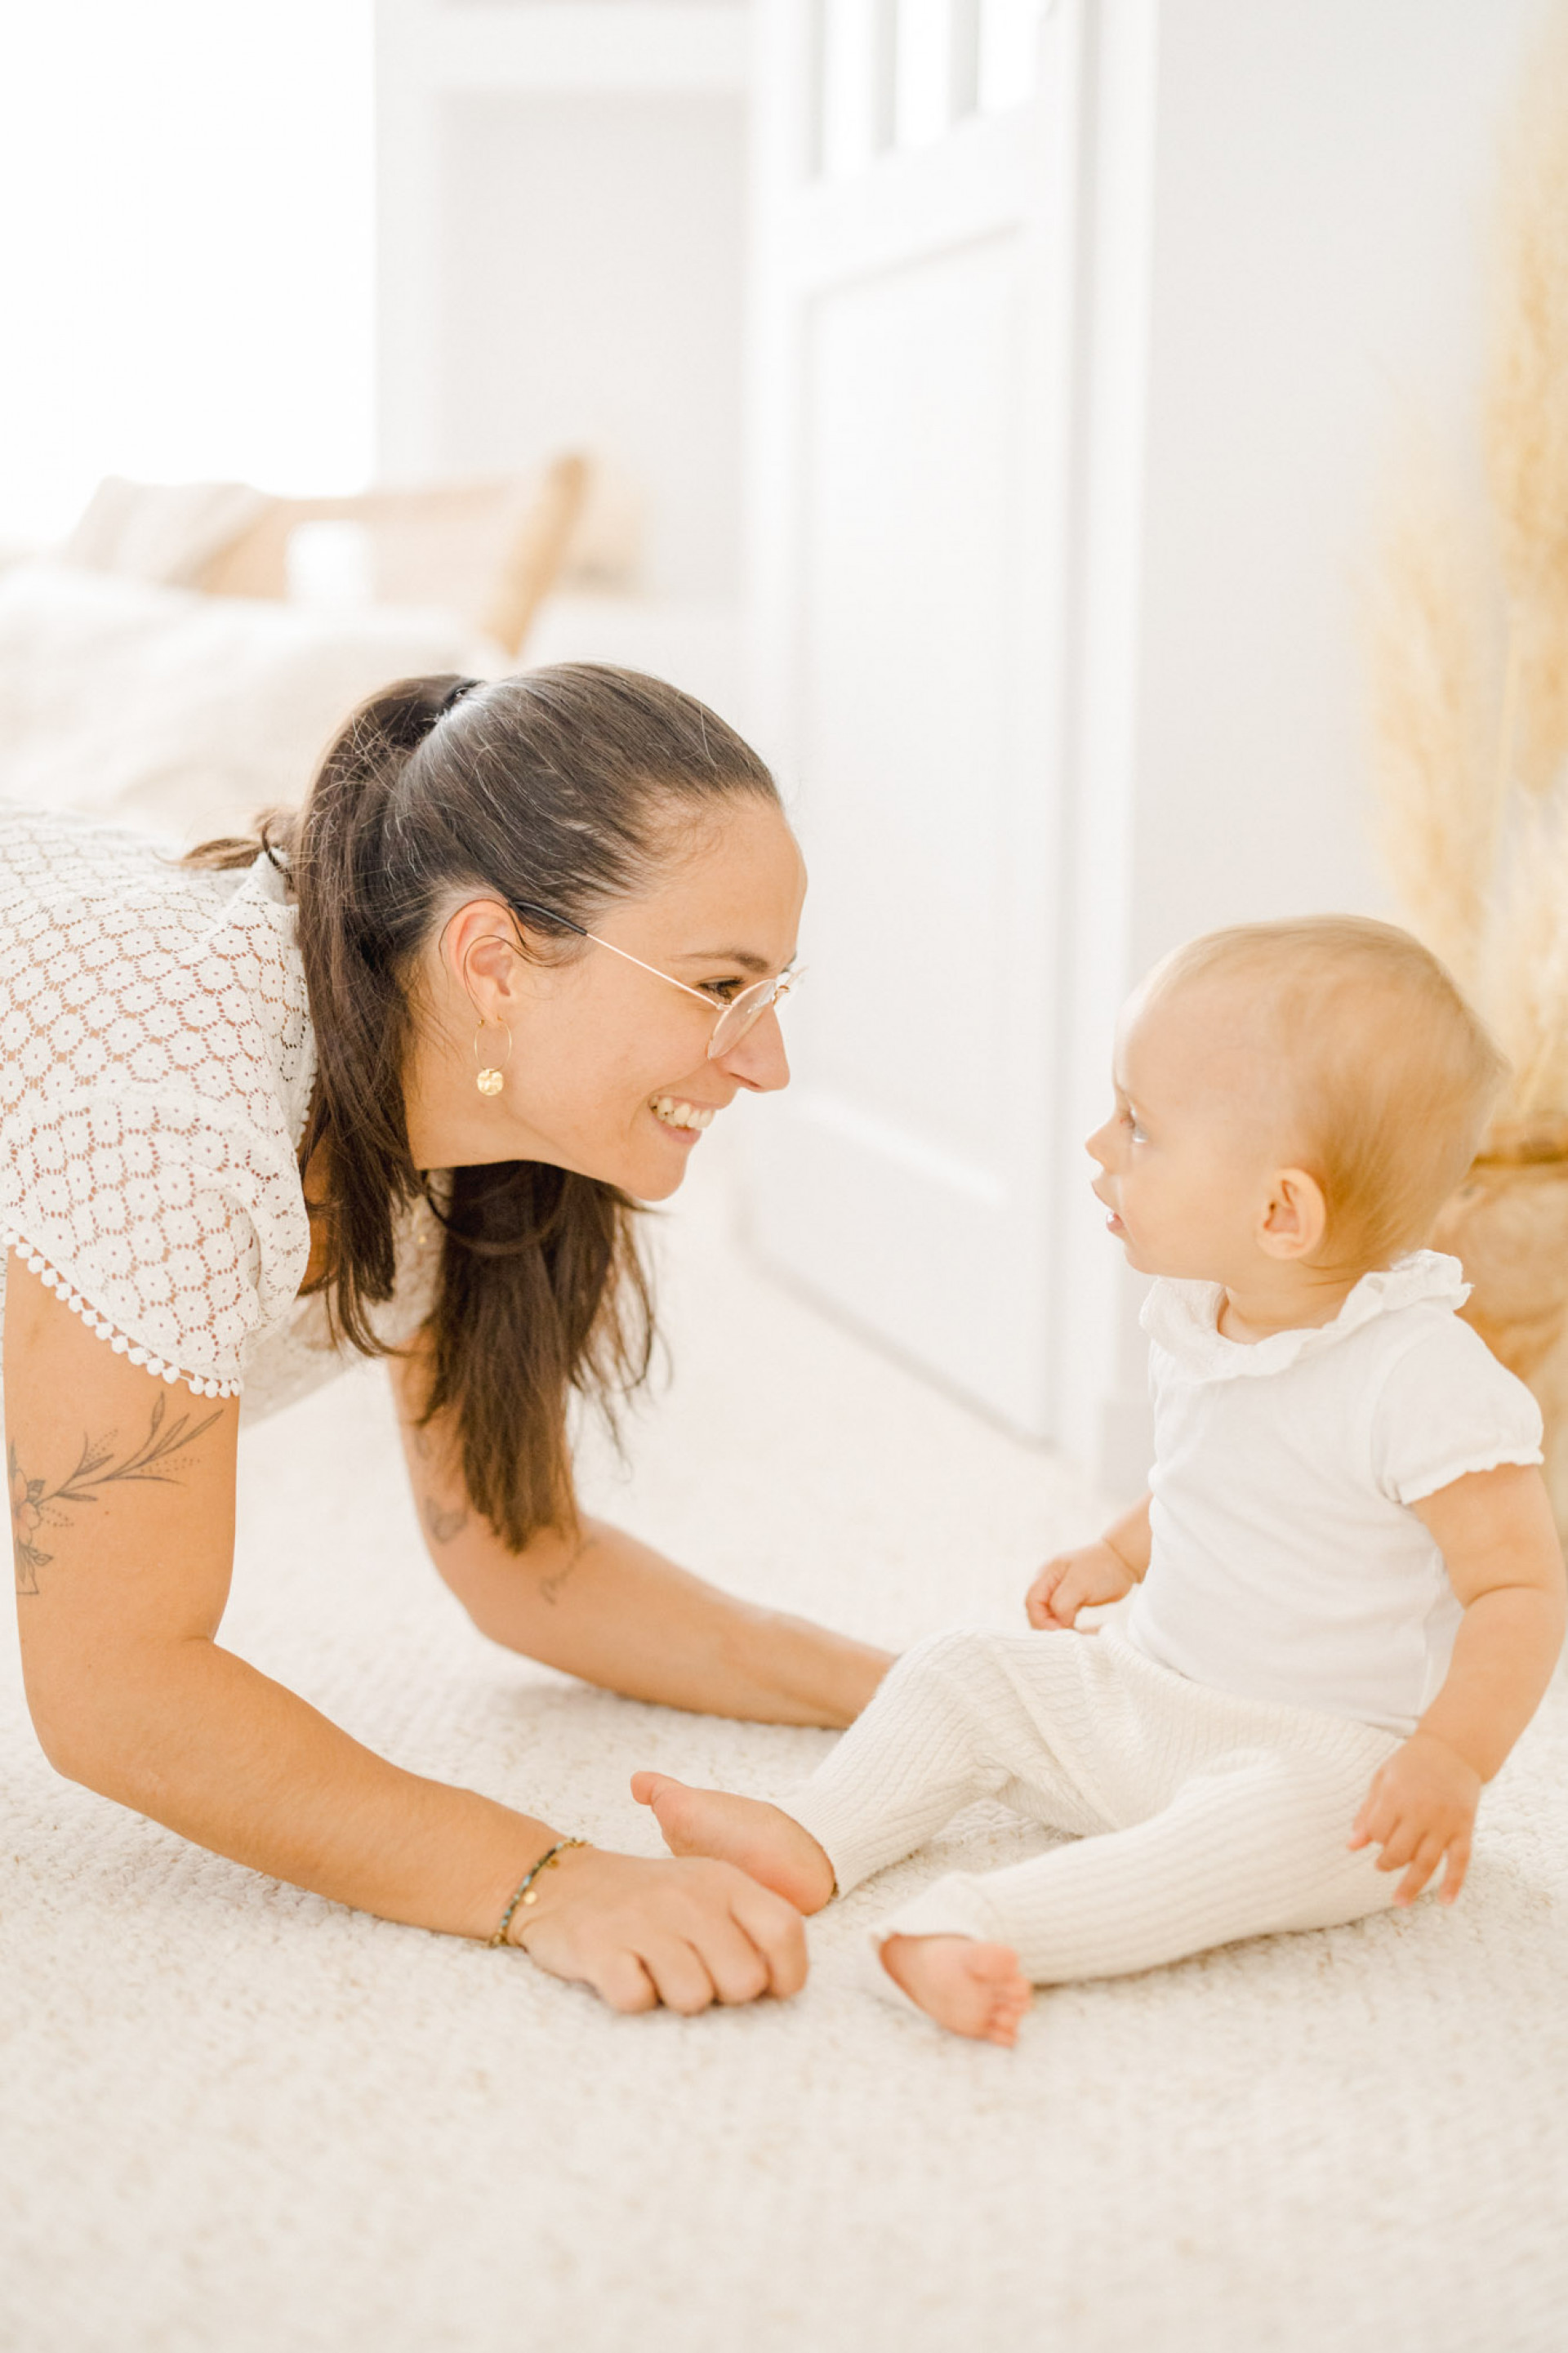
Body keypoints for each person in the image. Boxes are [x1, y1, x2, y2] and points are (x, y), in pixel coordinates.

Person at [4, 664, 890, 2016]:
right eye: (721, 984)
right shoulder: (179, 1124)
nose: (765, 1064)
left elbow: (528, 1559)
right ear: (493, 961)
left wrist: (912, 1691)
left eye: (774, 989)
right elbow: (117, 1690)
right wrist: (548, 1880)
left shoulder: (470, 1115)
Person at [635, 916, 1568, 2043]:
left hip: (1322, 1755)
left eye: (1139, 1127)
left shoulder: (1423, 1376)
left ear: (1282, 1211)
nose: (1097, 1145)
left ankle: (980, 1922)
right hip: (1148, 1696)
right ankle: (816, 1833)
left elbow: (1518, 1589)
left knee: (1249, 1839)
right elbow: (1210, 1481)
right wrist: (1119, 1554)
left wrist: (1450, 1758)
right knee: (965, 1667)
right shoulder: (1201, 1314)